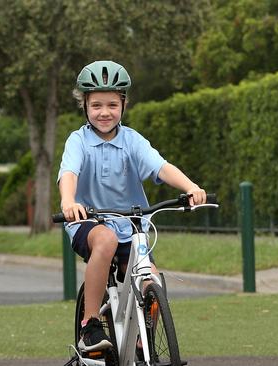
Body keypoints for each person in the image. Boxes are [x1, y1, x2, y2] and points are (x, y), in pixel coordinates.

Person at [58, 60, 206, 352]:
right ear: (85, 106)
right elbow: (68, 174)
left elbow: (161, 167)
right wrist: (68, 201)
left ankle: (142, 338)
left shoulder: (132, 141)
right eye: (96, 105)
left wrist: (191, 187)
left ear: (123, 105)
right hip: (88, 221)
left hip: (132, 225)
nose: (104, 112)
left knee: (151, 279)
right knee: (106, 239)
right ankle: (90, 325)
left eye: (112, 104)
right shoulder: (78, 141)